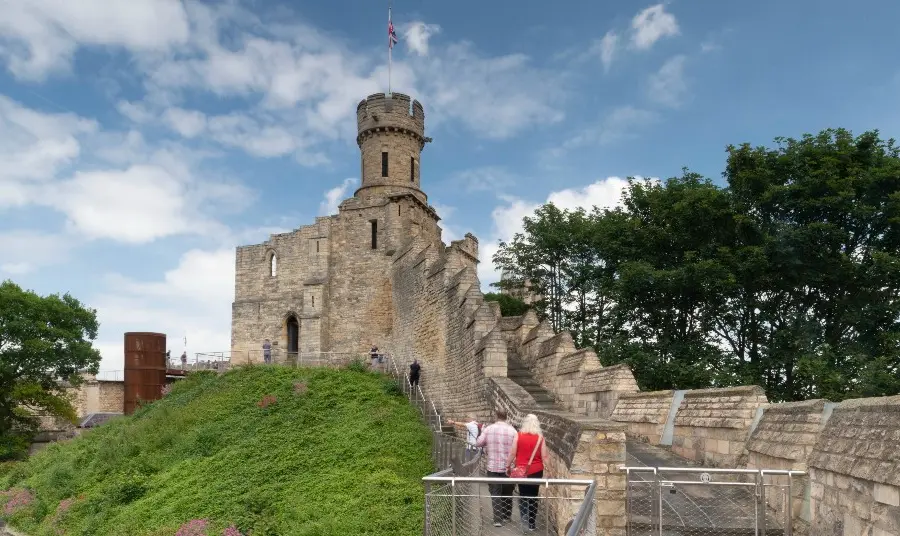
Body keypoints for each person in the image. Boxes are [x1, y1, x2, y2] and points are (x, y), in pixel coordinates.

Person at [475, 408, 517, 527]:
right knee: (508, 491)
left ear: (496, 416)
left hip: (492, 467)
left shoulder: (488, 429)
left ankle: (497, 519)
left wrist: (482, 433)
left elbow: (478, 443)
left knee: (495, 492)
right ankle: (507, 515)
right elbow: (516, 448)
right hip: (508, 468)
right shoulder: (512, 431)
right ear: (506, 417)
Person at [506, 413, 548, 532]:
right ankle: (532, 523)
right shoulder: (540, 438)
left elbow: (513, 453)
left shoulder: (519, 436)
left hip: (522, 470)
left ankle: (524, 520)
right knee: (533, 496)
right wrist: (550, 470)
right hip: (536, 471)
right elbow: (544, 456)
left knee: (523, 495)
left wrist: (508, 465)